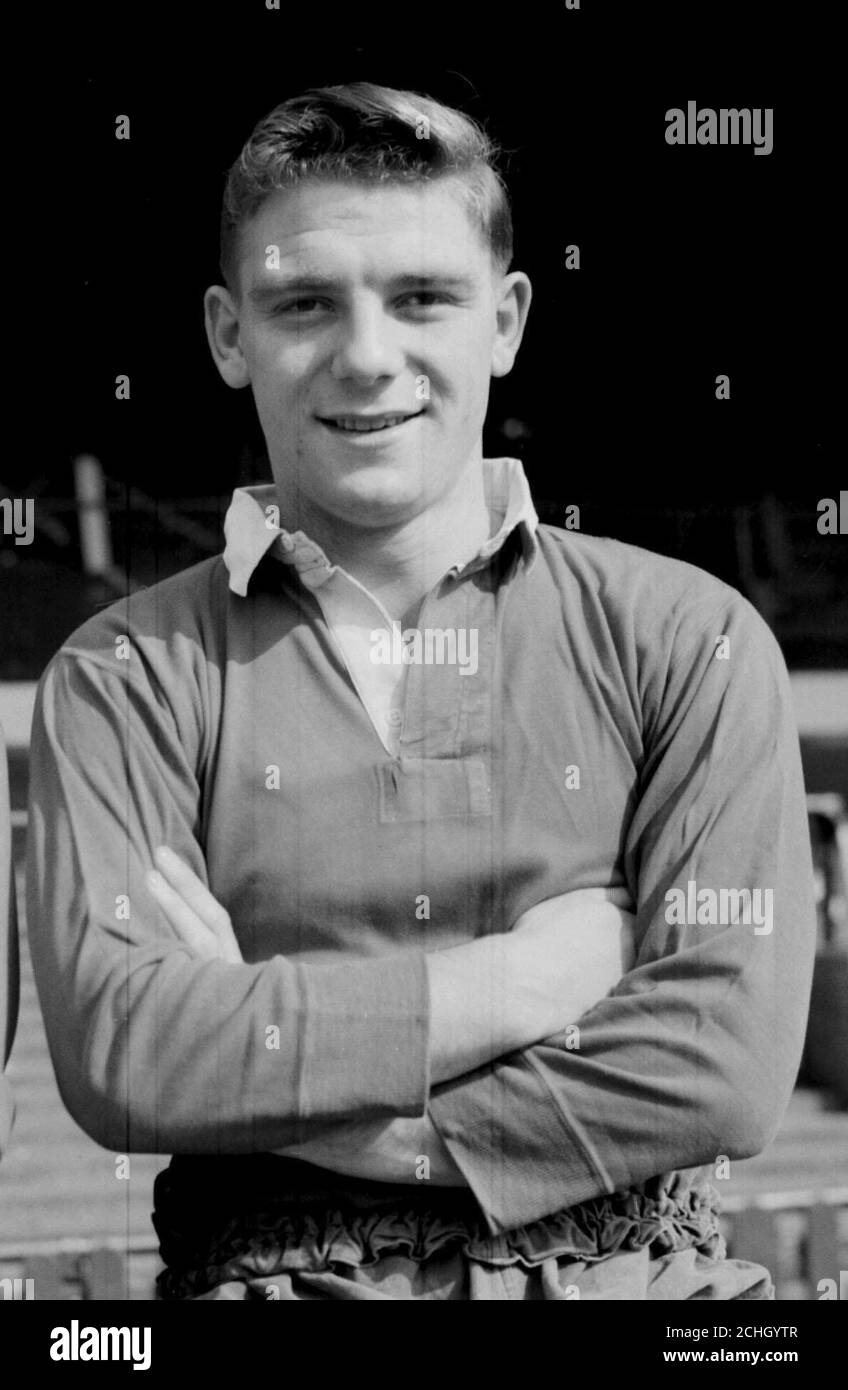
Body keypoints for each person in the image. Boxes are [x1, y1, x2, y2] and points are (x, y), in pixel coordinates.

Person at [26, 82, 815, 1300]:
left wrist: (298, 1080)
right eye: (304, 305)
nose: (366, 355)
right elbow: (129, 1061)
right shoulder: (120, 676)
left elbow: (723, 1066)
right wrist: (522, 984)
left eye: (420, 299)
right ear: (229, 336)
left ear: (501, 320)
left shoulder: (692, 638)